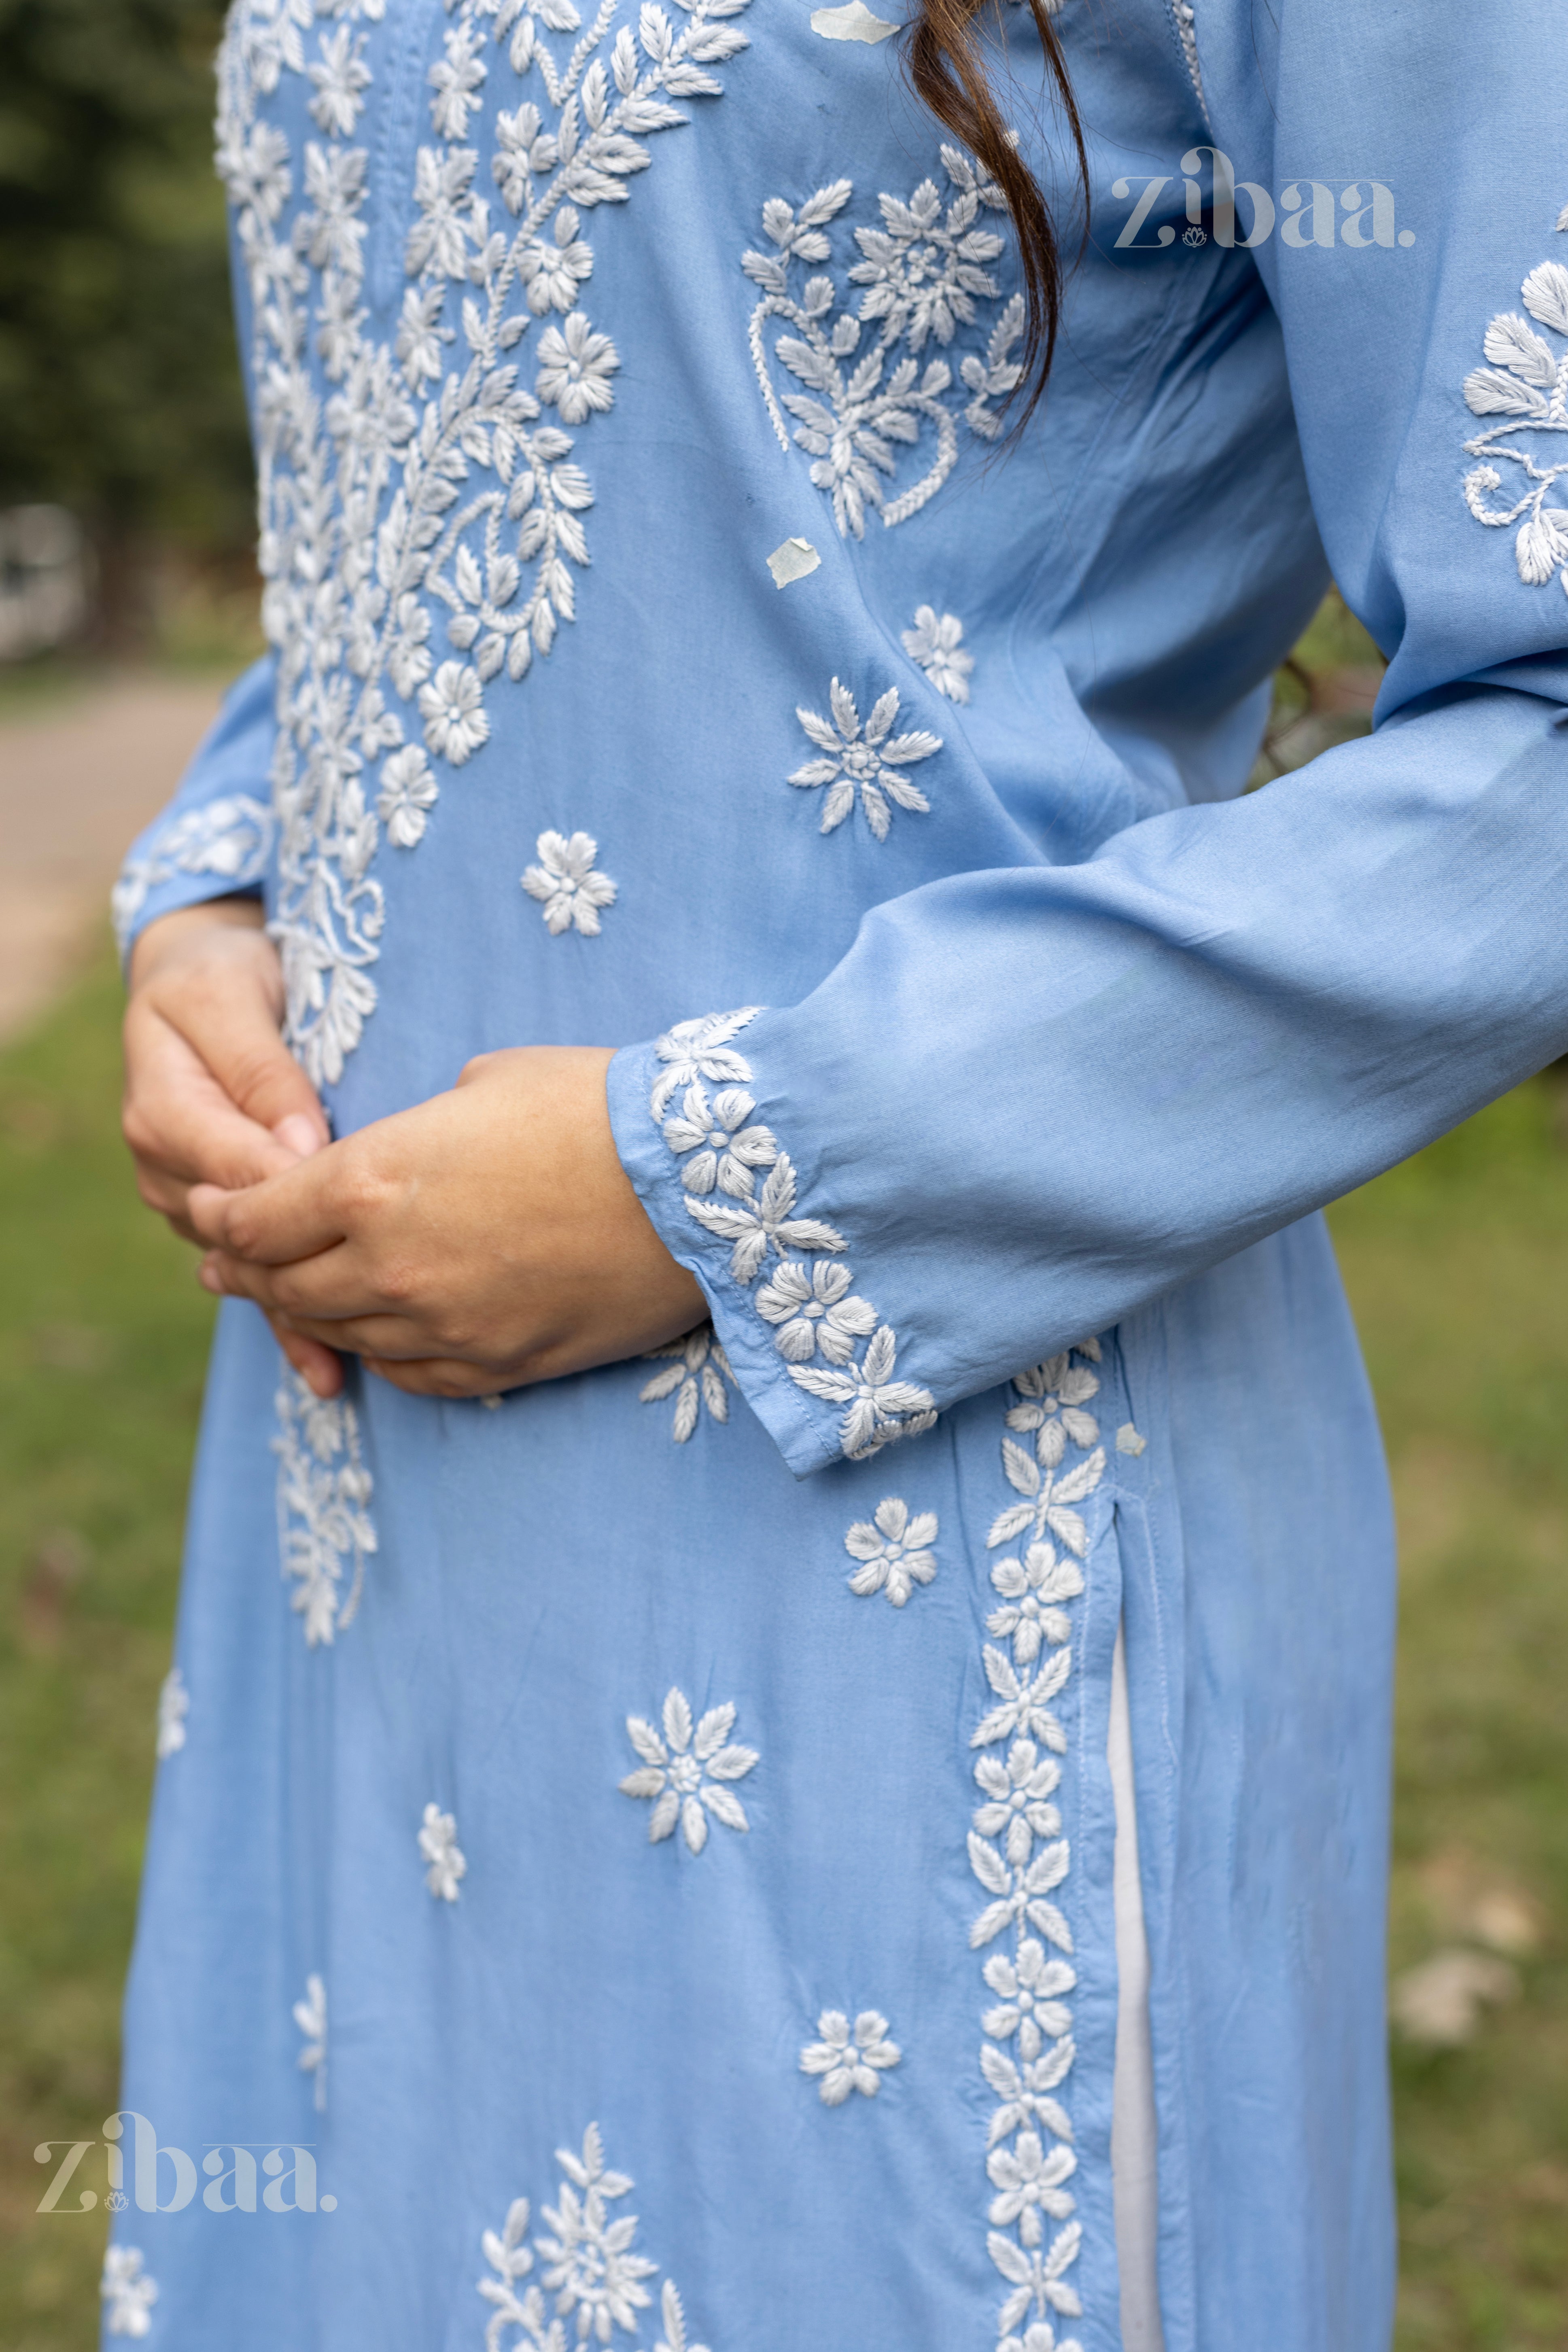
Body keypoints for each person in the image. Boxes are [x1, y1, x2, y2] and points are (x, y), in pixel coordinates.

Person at [109, 0, 1568, 2344]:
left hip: (906, 1537)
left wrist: (719, 1172)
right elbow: (494, 432)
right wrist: (222, 893)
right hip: (356, 1538)